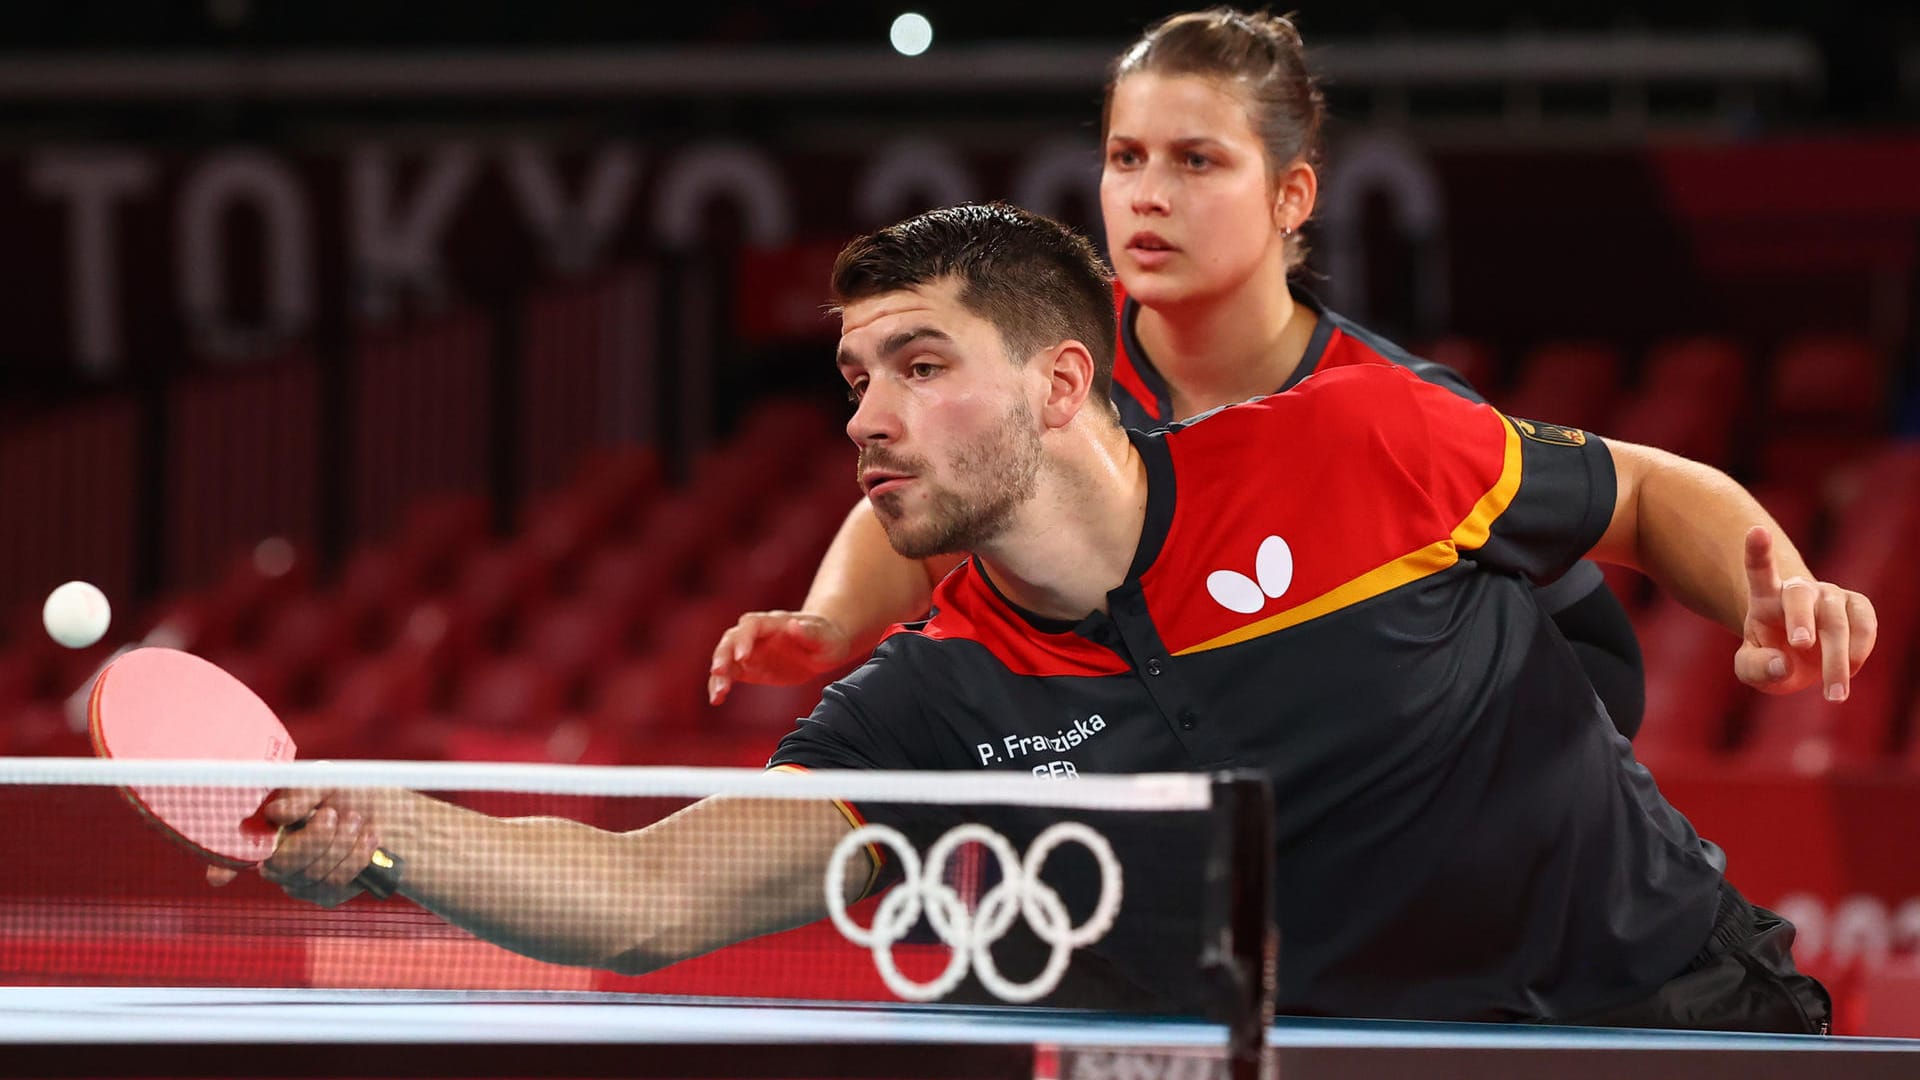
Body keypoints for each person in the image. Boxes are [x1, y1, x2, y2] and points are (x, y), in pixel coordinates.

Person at [241, 204, 1872, 1030]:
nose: (867, 417)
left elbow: (1650, 490)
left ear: (1067, 380)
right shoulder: (935, 701)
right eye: (855, 378)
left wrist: (1773, 575)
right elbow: (641, 898)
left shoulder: (1354, 439)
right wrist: (382, 833)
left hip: (1667, 1012)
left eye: (922, 368)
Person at [707, 7, 1647, 740]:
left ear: (1292, 194)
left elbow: (1597, 655)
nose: (1149, 194)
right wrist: (830, 625)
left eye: (1197, 160)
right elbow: (942, 484)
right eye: (1126, 157)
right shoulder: (1050, 356)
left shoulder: (1396, 409)